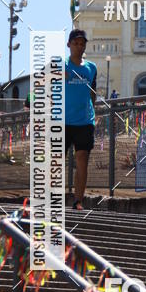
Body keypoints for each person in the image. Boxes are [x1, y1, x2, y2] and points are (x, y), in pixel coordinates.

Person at [65, 29, 97, 210]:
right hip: (62, 121)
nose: (79, 46)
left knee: (82, 158)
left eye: (82, 44)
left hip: (84, 121)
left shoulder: (91, 68)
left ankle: (78, 200)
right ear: (69, 45)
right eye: (76, 43)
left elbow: (93, 92)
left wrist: (92, 112)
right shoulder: (61, 65)